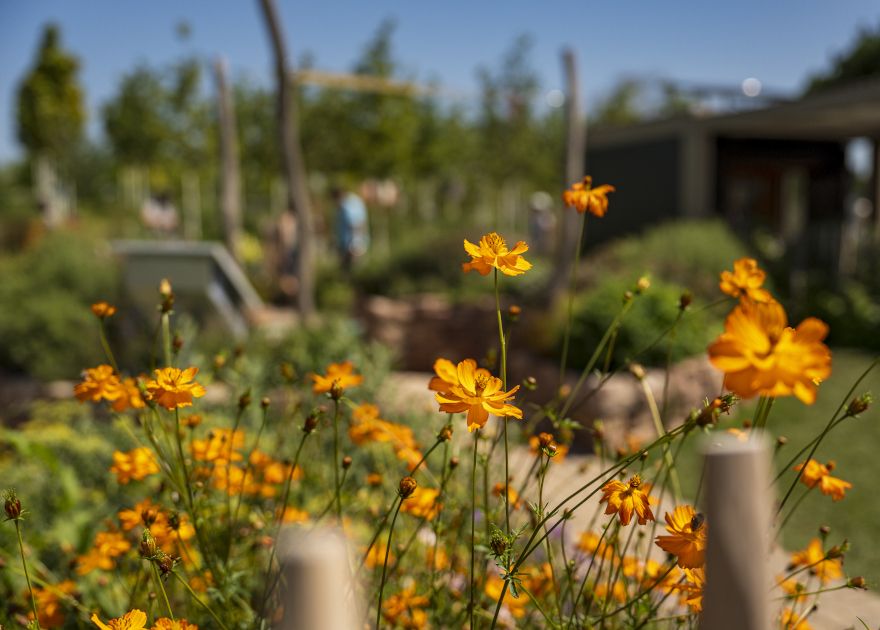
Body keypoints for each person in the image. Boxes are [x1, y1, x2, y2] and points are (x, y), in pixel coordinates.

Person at [332, 187, 370, 271]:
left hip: (353, 249)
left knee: (354, 272)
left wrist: (355, 247)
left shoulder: (349, 205)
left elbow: (356, 226)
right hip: (350, 248)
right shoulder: (350, 203)